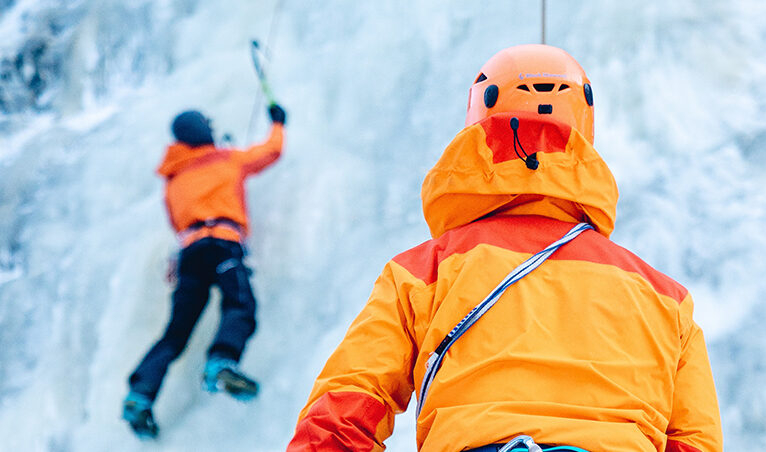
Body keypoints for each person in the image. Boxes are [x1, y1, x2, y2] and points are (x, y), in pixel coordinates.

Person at [286, 45, 722, 452]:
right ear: (586, 131)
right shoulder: (667, 298)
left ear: (479, 119)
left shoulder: (422, 271)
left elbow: (348, 402)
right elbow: (695, 440)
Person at [122, 103, 286, 438]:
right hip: (223, 243)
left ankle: (139, 395)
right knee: (240, 305)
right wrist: (278, 123)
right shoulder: (226, 158)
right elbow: (271, 151)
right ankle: (221, 363)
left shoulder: (173, 179)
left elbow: (176, 223)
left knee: (176, 333)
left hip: (189, 253)